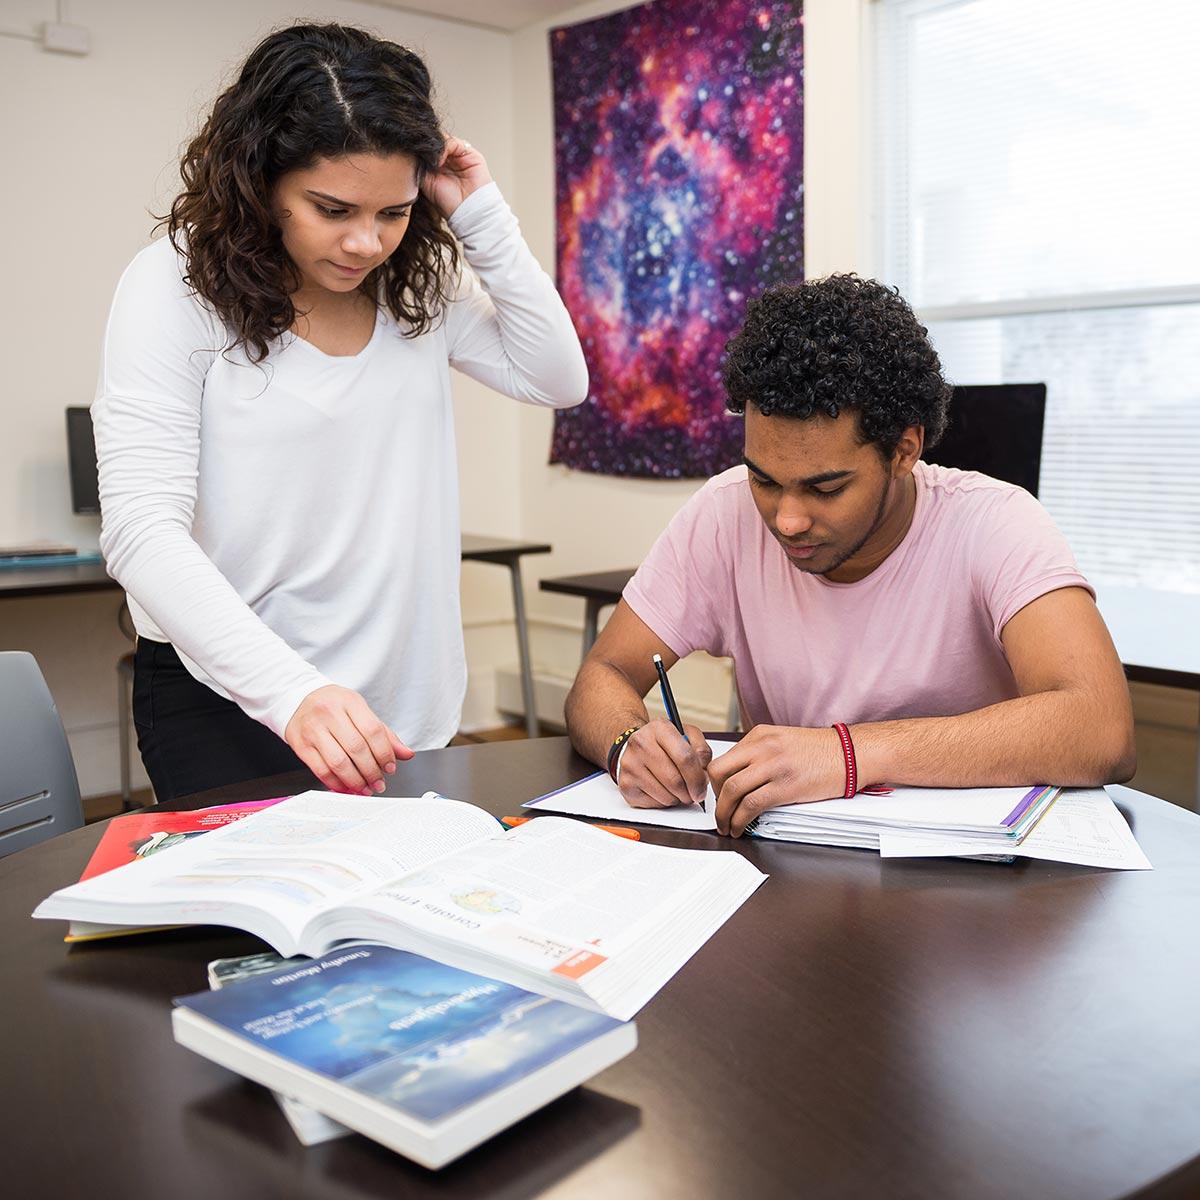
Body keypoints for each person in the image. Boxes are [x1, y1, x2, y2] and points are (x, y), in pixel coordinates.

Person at [94, 23, 587, 803]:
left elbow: (557, 376)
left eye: (393, 211)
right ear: (260, 180)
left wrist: (482, 216)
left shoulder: (415, 284)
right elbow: (139, 531)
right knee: (256, 929)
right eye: (332, 208)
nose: (367, 242)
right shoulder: (174, 286)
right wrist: (293, 694)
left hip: (400, 698)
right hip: (234, 697)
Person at [564, 274, 1135, 836]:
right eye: (764, 479)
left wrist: (847, 755)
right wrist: (628, 743)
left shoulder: (996, 522)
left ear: (904, 451)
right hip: (792, 868)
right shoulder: (724, 513)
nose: (787, 520)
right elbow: (602, 674)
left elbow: (1102, 728)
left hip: (971, 880)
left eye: (826, 488)